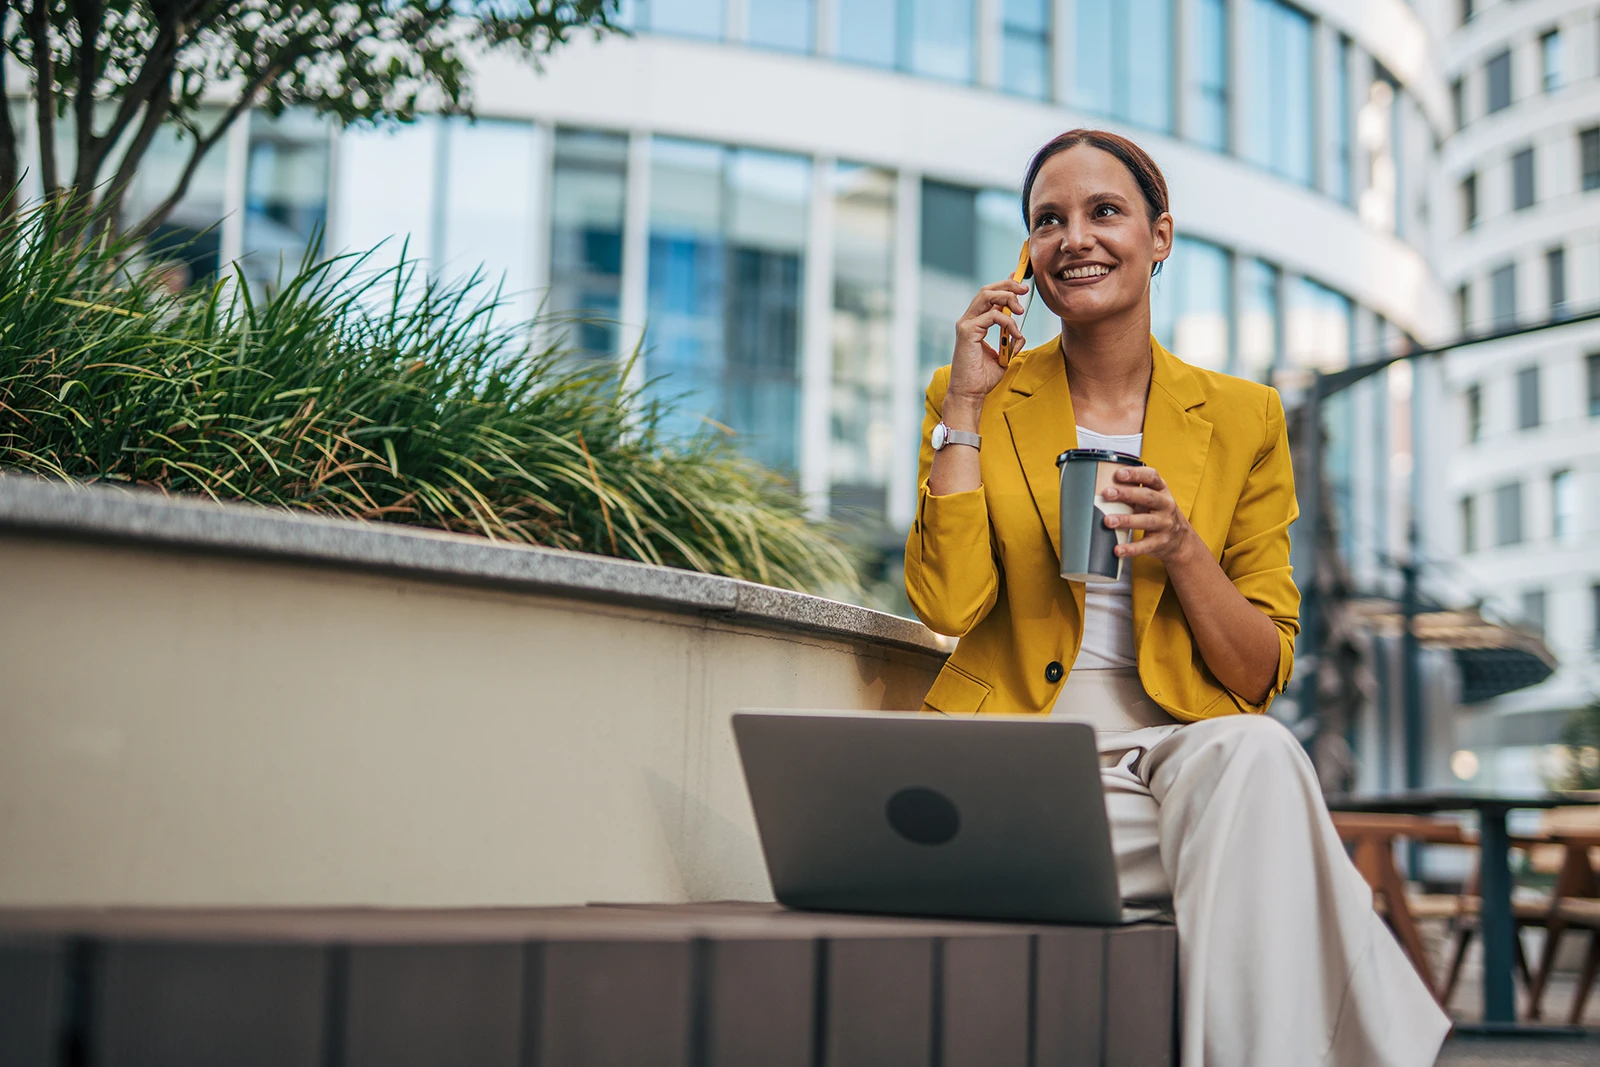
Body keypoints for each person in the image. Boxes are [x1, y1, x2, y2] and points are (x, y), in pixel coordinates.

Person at [903, 129, 1449, 1067]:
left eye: (1104, 212)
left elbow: (1259, 671)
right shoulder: (975, 399)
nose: (1074, 237)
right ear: (1028, 257)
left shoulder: (1245, 418)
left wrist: (1186, 550)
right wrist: (963, 410)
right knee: (1272, 850)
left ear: (1159, 236)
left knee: (1259, 753)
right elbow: (948, 607)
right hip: (1026, 760)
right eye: (1048, 221)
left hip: (1177, 757)